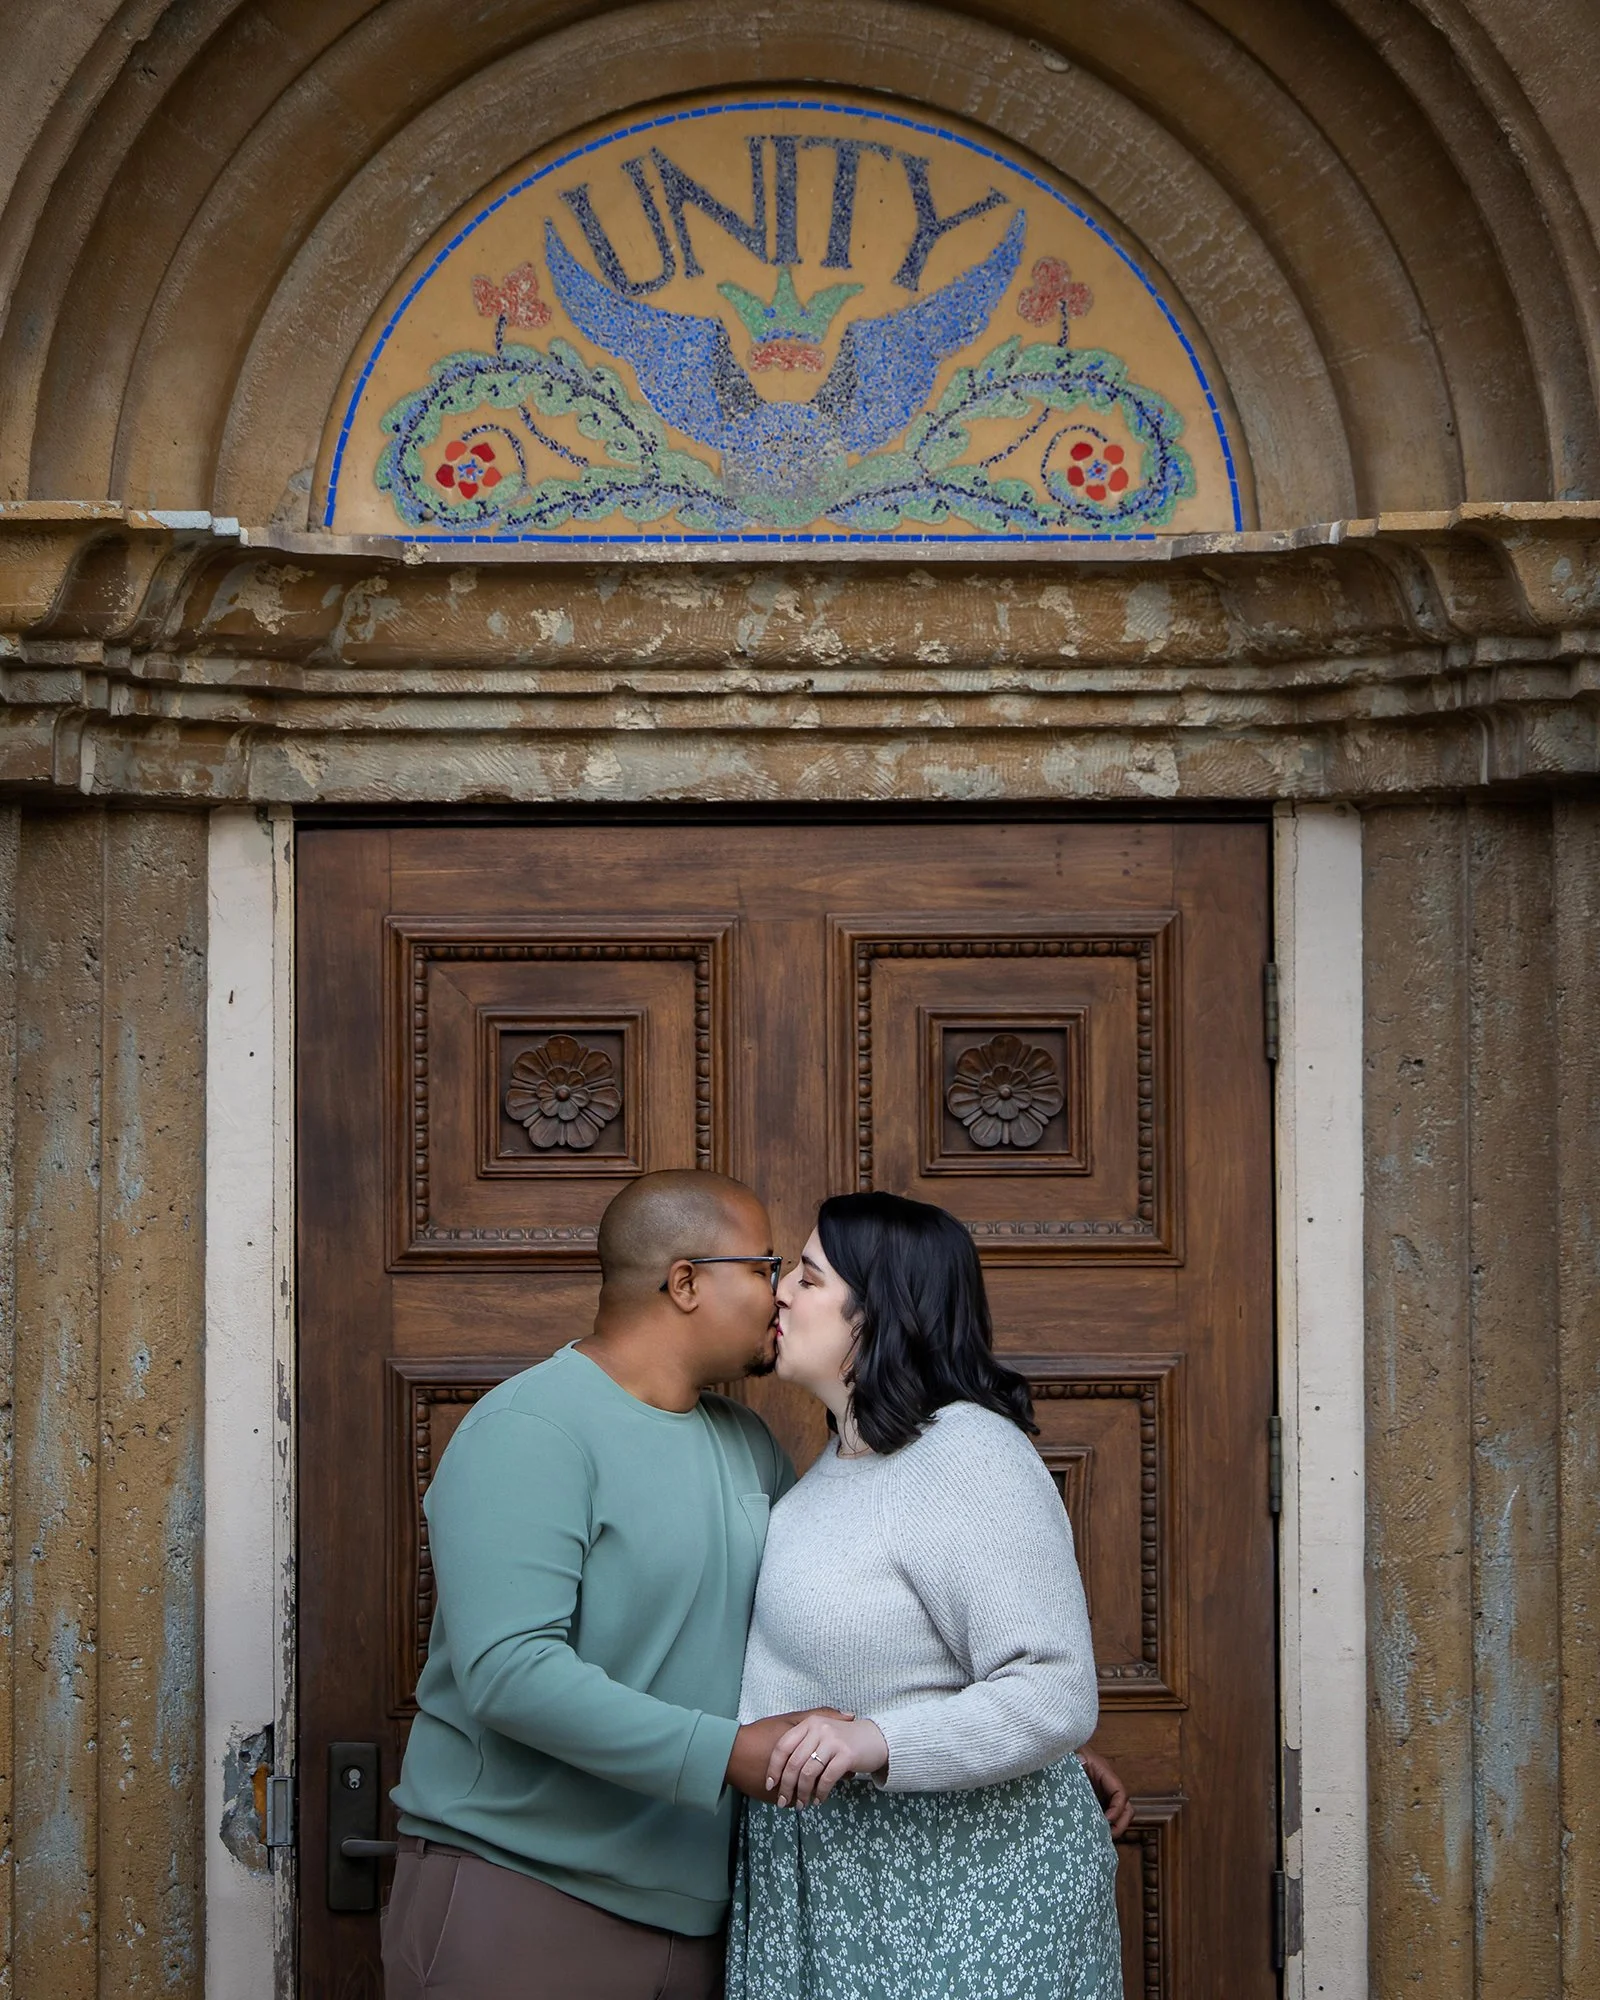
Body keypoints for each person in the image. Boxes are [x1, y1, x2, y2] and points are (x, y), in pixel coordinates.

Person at [382, 1169, 835, 1999]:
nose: (782, 1296)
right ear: (686, 1281)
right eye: (765, 1268)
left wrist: (1014, 1749)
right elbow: (510, 1673)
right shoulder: (529, 1431)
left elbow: (837, 1614)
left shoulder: (747, 1442)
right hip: (520, 1898)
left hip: (700, 1918)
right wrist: (727, 1754)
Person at [727, 1191, 1126, 2000]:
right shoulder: (825, 1476)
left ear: (876, 1312)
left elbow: (1053, 1689)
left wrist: (878, 1740)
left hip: (960, 1897)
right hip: (832, 1887)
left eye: (806, 1277)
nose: (780, 1294)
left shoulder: (966, 1453)